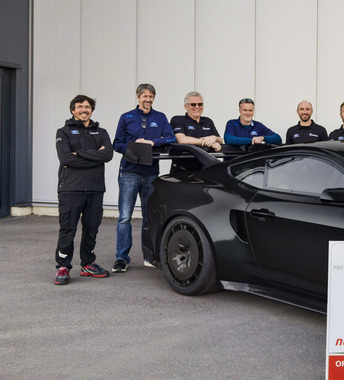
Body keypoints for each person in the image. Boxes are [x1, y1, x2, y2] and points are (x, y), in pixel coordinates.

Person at [112, 84, 175, 272]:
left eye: (151, 96)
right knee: (124, 217)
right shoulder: (126, 117)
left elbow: (170, 138)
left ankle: (149, 256)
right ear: (138, 97)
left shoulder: (160, 117)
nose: (148, 99)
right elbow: (117, 144)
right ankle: (121, 259)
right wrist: (133, 147)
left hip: (150, 174)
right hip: (129, 172)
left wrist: (152, 142)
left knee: (149, 217)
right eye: (144, 96)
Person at [53, 94, 114, 285]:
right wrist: (95, 156)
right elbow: (65, 159)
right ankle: (63, 267)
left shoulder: (101, 132)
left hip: (95, 189)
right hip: (70, 189)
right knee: (67, 229)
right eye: (79, 107)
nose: (84, 110)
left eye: (87, 107)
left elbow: (108, 155)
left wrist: (78, 153)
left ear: (92, 110)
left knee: (91, 228)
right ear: (73, 110)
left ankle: (88, 263)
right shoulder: (63, 132)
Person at [169, 91, 224, 172]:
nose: (197, 107)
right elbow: (182, 140)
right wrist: (208, 142)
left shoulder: (208, 121)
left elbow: (220, 140)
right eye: (193, 104)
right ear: (186, 107)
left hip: (205, 170)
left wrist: (214, 138)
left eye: (200, 104)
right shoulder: (178, 120)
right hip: (182, 171)